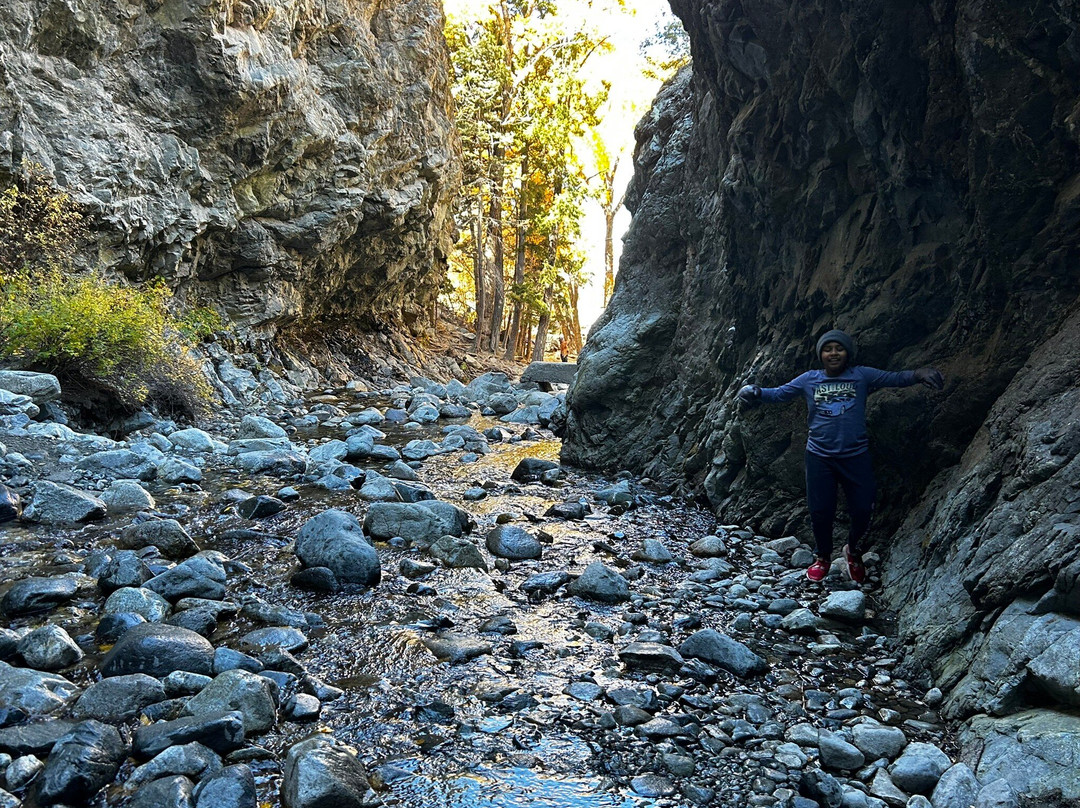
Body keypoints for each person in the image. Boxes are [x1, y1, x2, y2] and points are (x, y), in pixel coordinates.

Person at [737, 329, 943, 583]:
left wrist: (918, 374)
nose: (833, 353)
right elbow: (779, 393)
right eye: (827, 349)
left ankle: (853, 551)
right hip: (819, 457)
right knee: (820, 510)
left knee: (863, 508)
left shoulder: (862, 375)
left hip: (855, 456)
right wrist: (755, 391)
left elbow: (895, 378)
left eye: (839, 348)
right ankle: (822, 557)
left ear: (847, 353)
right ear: (821, 354)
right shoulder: (808, 379)